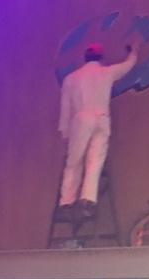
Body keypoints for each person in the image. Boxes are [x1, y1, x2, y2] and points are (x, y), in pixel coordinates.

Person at [57, 41, 139, 222]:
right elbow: (128, 66)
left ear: (85, 57)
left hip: (81, 118)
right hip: (102, 118)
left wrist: (64, 131)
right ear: (101, 57)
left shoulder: (72, 78)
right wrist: (133, 52)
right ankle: (88, 200)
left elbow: (66, 107)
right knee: (95, 160)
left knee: (74, 161)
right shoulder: (106, 72)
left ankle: (66, 202)